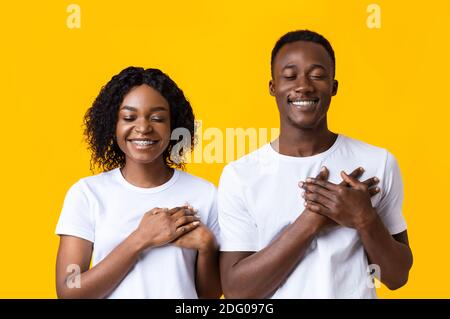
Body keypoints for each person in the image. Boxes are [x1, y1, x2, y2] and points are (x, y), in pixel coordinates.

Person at [218, 30, 413, 298]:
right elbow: (238, 292)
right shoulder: (241, 175)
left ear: (333, 86)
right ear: (273, 86)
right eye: (289, 76)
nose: (304, 86)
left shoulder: (378, 162)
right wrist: (312, 220)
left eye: (317, 75)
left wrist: (364, 218)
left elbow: (395, 277)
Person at [55, 66, 221, 299]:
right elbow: (69, 289)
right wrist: (141, 239)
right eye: (129, 117)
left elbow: (207, 297)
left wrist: (207, 247)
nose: (143, 128)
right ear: (112, 125)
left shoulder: (205, 194)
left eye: (157, 118)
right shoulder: (87, 194)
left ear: (174, 126)